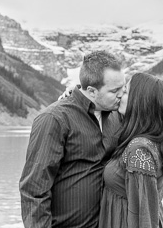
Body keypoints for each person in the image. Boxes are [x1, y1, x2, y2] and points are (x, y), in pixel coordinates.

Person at [20, 50, 126, 228]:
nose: (121, 94)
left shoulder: (117, 116)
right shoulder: (54, 119)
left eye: (123, 87)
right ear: (91, 91)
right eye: (115, 90)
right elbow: (34, 191)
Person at [99, 72, 163, 228]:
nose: (120, 95)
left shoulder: (139, 150)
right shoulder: (150, 139)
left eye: (125, 91)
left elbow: (144, 217)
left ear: (140, 102)